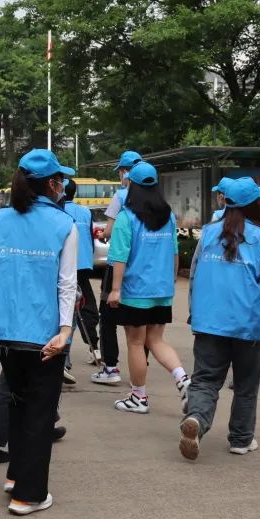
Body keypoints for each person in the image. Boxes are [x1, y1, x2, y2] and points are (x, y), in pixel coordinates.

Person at [0, 149, 78, 515]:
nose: (63, 185)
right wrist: (65, 331)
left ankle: (15, 474)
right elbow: (67, 284)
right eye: (61, 180)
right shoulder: (64, 224)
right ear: (52, 184)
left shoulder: (2, 219)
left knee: (17, 404)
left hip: (3, 331)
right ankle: (29, 494)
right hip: (44, 334)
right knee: (39, 412)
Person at [180, 177, 260, 460]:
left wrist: (196, 313)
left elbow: (194, 276)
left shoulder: (208, 234)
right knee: (245, 385)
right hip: (248, 326)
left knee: (205, 380)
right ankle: (241, 439)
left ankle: (196, 418)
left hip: (209, 322)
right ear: (255, 205)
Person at [106, 162, 191, 414]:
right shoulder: (168, 217)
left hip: (135, 291)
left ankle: (138, 397)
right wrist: (171, 280)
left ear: (131, 185)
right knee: (156, 339)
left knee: (135, 343)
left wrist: (115, 289)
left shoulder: (126, 217)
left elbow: (119, 256)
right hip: (162, 290)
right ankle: (183, 378)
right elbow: (174, 252)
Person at [93, 150, 143, 385]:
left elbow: (110, 231)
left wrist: (102, 235)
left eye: (121, 172)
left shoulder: (121, 196)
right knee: (140, 320)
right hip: (142, 266)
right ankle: (140, 369)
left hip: (117, 264)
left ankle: (111, 367)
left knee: (108, 318)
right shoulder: (156, 200)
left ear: (126, 172)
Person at [63, 179, 100, 379]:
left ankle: (64, 359)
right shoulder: (85, 212)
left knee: (66, 309)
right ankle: (94, 346)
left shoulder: (58, 211)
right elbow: (90, 240)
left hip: (65, 267)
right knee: (86, 306)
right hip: (84, 264)